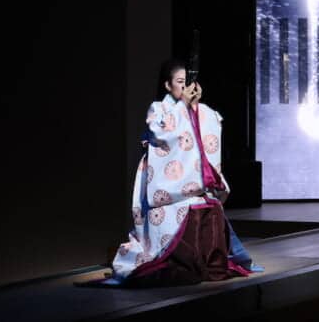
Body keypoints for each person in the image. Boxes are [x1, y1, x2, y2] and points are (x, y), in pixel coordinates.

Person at [108, 60, 261, 284]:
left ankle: (207, 259)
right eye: (180, 82)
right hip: (164, 188)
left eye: (188, 82)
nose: (186, 87)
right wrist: (183, 108)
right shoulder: (159, 109)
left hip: (193, 185)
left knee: (210, 204)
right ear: (168, 86)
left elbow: (209, 129)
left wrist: (194, 109)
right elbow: (162, 134)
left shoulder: (201, 111)